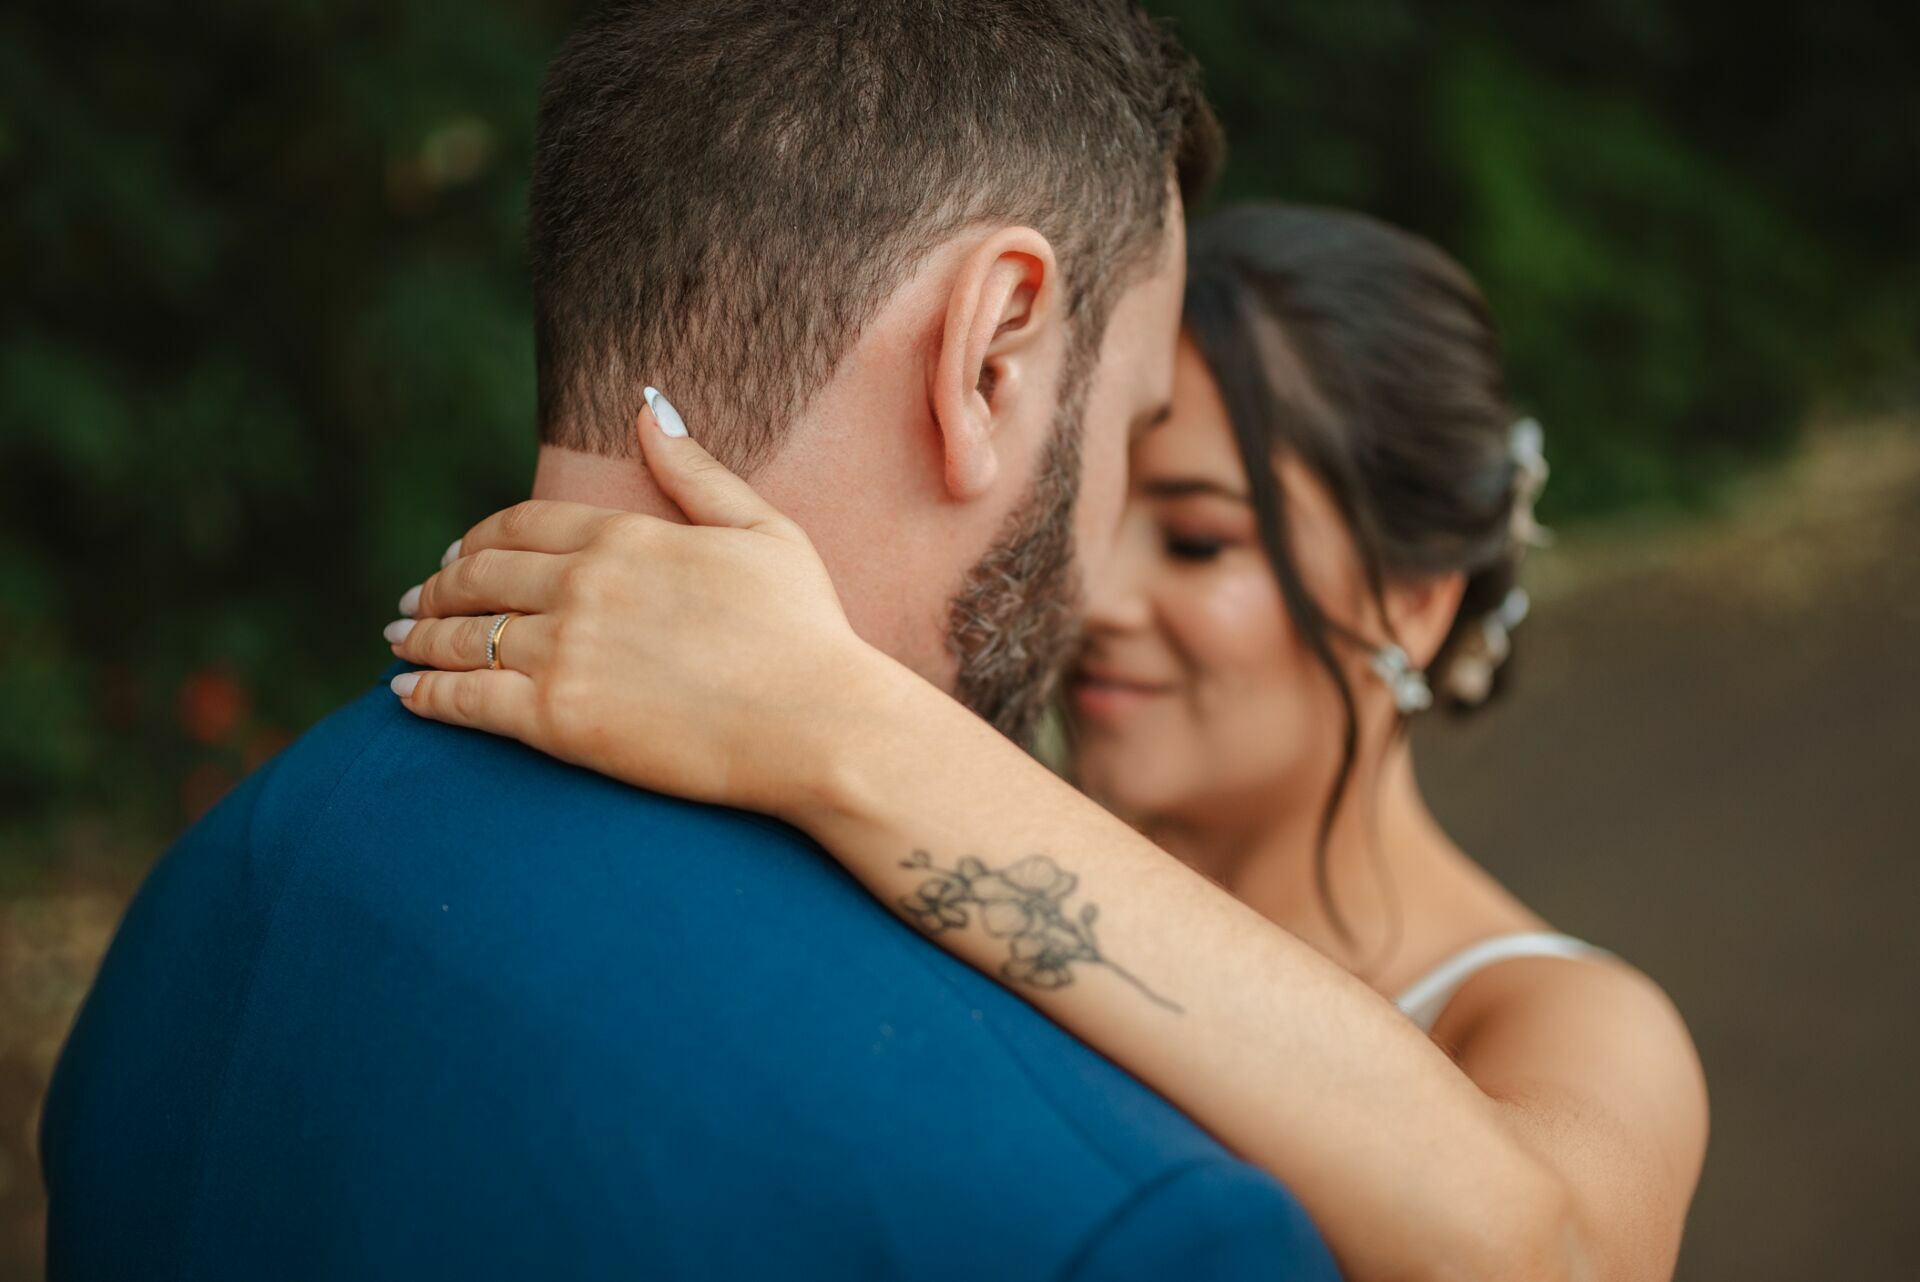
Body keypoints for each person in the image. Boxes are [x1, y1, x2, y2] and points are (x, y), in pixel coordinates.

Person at [40, 4, 1338, 1279]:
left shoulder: (210, 891)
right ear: (989, 357)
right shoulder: (1114, 1208)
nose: (1109, 577)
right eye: (1131, 423)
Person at [387, 205, 1710, 1281]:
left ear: (1414, 603)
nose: (1099, 599)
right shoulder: (919, 841)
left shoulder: (1569, 1021)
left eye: (1198, 539)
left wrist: (822, 707)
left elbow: (1551, 1253)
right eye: (1108, 507)